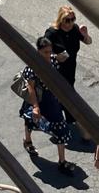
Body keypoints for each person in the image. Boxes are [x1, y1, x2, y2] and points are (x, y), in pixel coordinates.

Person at [19, 36, 75, 174]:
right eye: (45, 52)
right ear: (38, 51)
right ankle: (27, 141)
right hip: (37, 99)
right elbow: (31, 88)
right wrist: (35, 107)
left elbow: (66, 55)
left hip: (51, 100)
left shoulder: (53, 59)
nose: (48, 55)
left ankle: (62, 161)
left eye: (50, 51)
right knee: (30, 120)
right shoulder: (32, 67)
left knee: (60, 127)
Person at [45, 6, 92, 137]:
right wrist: (56, 57)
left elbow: (88, 42)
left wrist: (85, 35)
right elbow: (42, 52)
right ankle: (78, 125)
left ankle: (44, 116)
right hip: (56, 71)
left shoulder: (75, 29)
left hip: (70, 70)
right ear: (61, 19)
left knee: (60, 98)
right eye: (67, 20)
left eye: (72, 19)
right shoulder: (52, 33)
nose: (70, 23)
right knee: (68, 97)